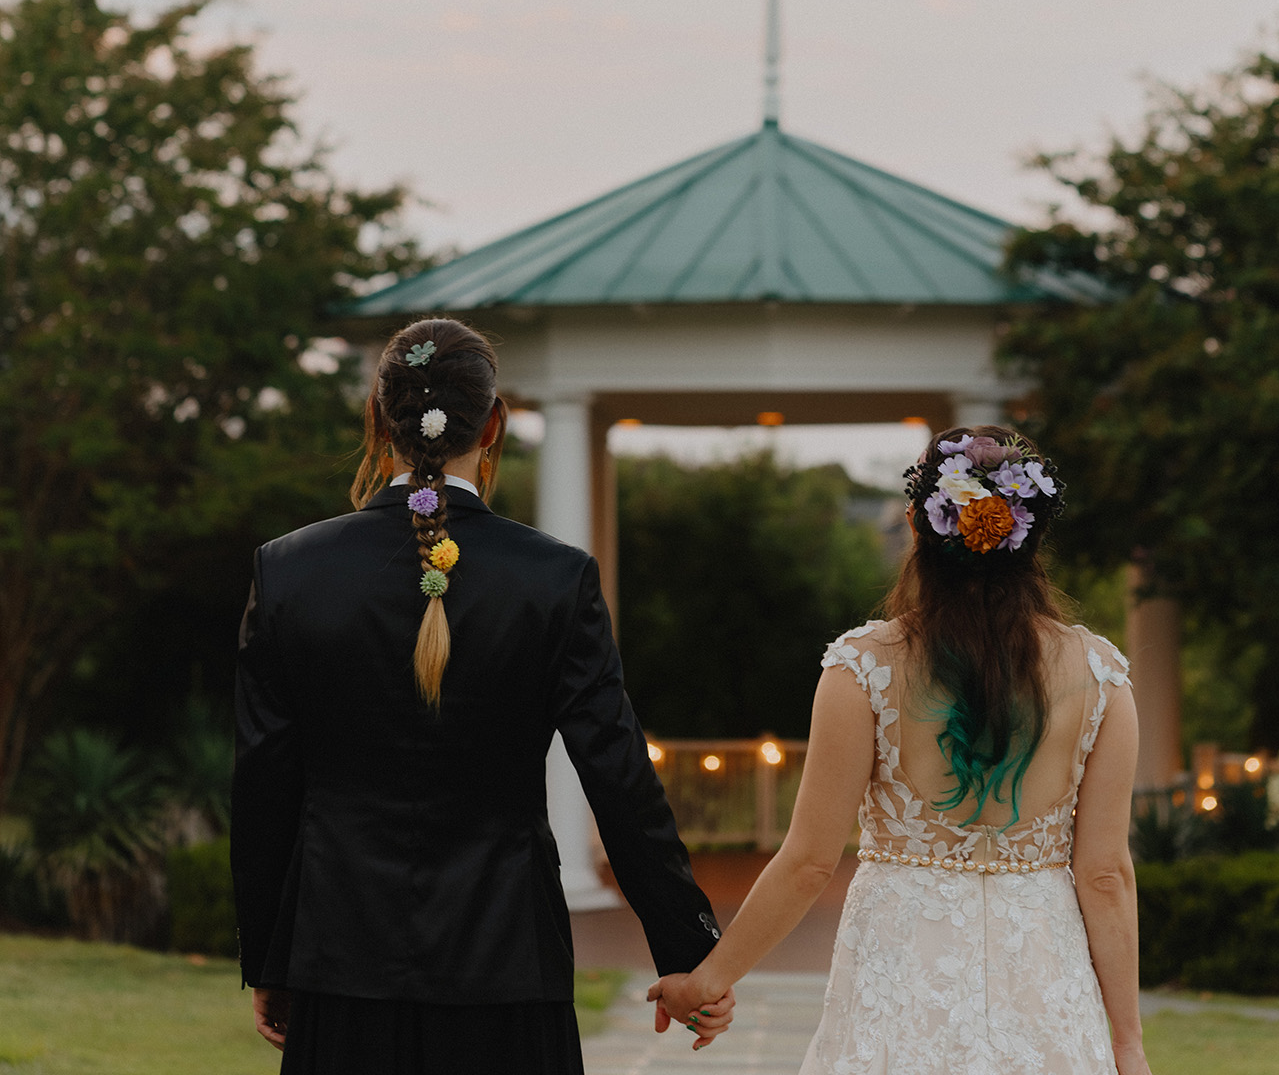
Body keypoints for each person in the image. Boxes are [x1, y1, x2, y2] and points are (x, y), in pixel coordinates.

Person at [231, 315, 735, 1073]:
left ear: (378, 417)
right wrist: (689, 951)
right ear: (494, 424)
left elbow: (263, 783)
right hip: (508, 964)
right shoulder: (555, 579)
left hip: (341, 963)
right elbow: (618, 775)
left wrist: (270, 957)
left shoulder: (290, 572)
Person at [648, 424, 1150, 1075]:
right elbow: (1105, 874)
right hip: (1045, 982)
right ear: (1031, 536)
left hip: (904, 974)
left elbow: (807, 864)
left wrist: (711, 978)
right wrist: (1128, 1043)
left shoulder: (864, 667)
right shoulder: (1100, 673)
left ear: (918, 526)